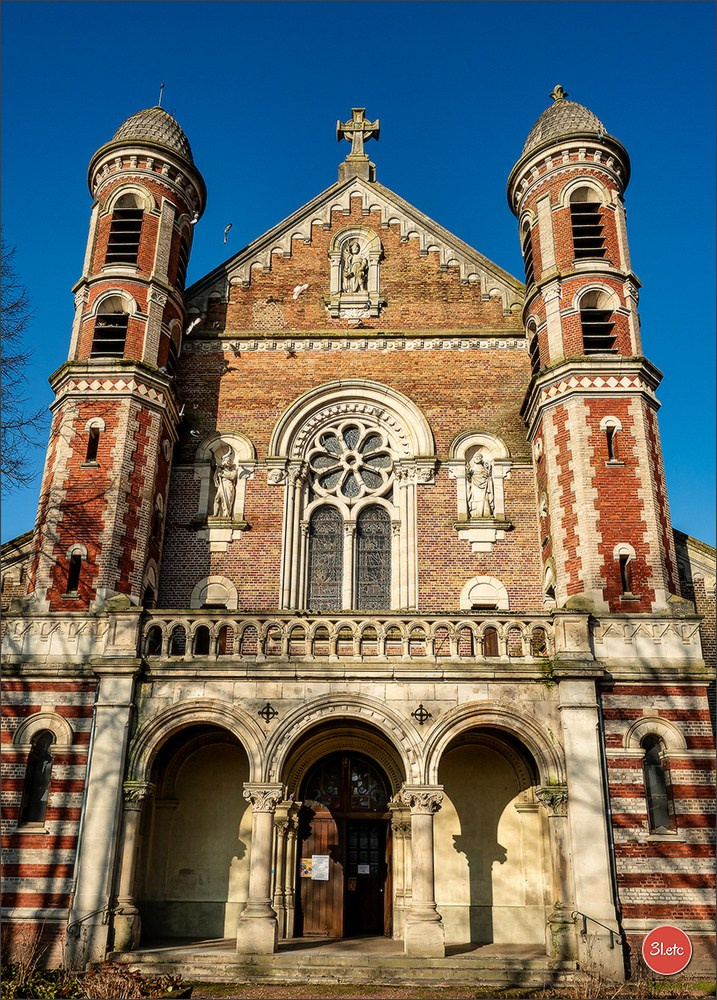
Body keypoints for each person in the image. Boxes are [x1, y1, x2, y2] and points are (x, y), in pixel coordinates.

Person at [467, 452, 494, 518]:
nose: (477, 458)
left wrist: (488, 469)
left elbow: (488, 476)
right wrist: (467, 472)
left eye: (479, 457)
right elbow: (468, 478)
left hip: (484, 487)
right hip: (475, 487)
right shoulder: (472, 469)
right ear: (473, 459)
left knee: (485, 499)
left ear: (481, 459)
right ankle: (475, 513)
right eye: (476, 457)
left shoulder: (484, 468)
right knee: (475, 499)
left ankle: (486, 513)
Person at [213, 451, 237, 517]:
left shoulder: (233, 471)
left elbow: (232, 476)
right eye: (226, 460)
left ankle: (226, 514)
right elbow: (215, 478)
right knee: (217, 498)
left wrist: (222, 475)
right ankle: (215, 513)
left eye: (228, 461)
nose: (227, 462)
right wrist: (217, 474)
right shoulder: (220, 470)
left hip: (228, 485)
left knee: (227, 500)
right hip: (222, 485)